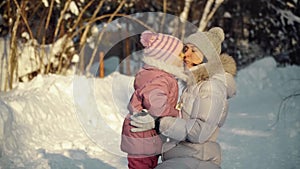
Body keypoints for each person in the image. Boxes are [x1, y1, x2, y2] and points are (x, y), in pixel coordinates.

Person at [130, 27, 237, 169]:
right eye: (186, 49)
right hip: (183, 157)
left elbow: (200, 132)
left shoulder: (211, 87)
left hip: (196, 158)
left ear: (208, 57)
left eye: (194, 51)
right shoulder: (193, 86)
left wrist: (159, 123)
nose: (186, 54)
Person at [120, 30, 188, 169]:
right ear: (167, 57)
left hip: (143, 137)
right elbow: (157, 107)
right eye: (179, 54)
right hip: (143, 137)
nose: (183, 58)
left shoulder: (151, 73)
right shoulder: (161, 78)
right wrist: (176, 113)